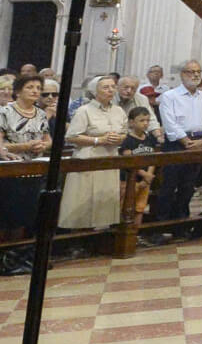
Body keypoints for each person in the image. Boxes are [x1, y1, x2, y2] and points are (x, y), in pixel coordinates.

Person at [154, 60, 202, 221]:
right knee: (169, 185)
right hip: (177, 144)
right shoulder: (170, 96)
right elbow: (169, 123)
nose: (195, 75)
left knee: (188, 185)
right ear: (182, 74)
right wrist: (186, 141)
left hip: (199, 142)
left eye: (198, 72)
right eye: (191, 72)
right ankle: (162, 222)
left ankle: (181, 220)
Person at [61, 73, 126, 229]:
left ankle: (101, 232)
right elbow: (71, 136)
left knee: (105, 199)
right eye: (105, 87)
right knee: (84, 200)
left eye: (113, 87)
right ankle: (79, 234)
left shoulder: (119, 111)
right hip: (88, 159)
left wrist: (119, 138)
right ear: (95, 91)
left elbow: (124, 132)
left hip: (110, 158)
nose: (110, 90)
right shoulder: (84, 110)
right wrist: (98, 140)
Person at [0, 75, 51, 273]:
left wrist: (43, 145)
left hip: (34, 169)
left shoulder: (41, 114)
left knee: (29, 215)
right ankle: (5, 257)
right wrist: (24, 146)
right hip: (11, 170)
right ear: (18, 91)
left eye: (38, 87)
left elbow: (48, 139)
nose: (35, 91)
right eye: (30, 87)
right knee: (8, 214)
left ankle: (20, 255)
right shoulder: (5, 112)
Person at [118, 106, 161, 236]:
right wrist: (143, 174)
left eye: (147, 120)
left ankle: (136, 234)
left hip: (145, 181)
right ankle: (124, 235)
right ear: (131, 122)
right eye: (141, 120)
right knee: (125, 207)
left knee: (140, 208)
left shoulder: (150, 139)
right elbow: (128, 160)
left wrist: (149, 175)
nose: (145, 123)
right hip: (129, 180)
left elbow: (153, 158)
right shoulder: (127, 140)